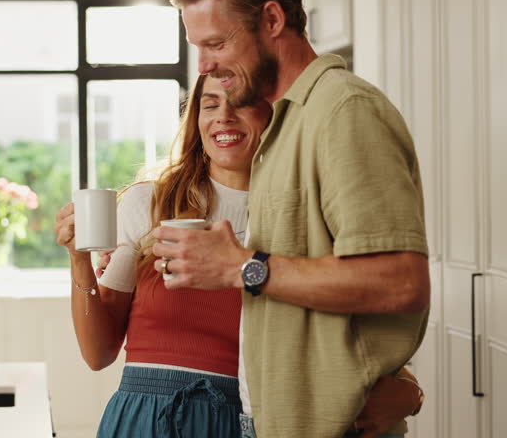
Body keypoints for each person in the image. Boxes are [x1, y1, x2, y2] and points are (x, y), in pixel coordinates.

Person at [54, 74, 422, 438]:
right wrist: (78, 260)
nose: (224, 117)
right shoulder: (149, 204)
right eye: (210, 104)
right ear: (196, 121)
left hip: (255, 420)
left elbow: (346, 328)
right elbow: (97, 352)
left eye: (242, 104)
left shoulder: (301, 219)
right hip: (148, 419)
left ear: (273, 118)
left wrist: (406, 385)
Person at [153, 0, 431, 437]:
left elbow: (400, 282)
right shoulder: (284, 124)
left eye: (216, 44)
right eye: (197, 47)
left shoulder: (344, 111)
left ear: (273, 20)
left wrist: (241, 268)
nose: (205, 66)